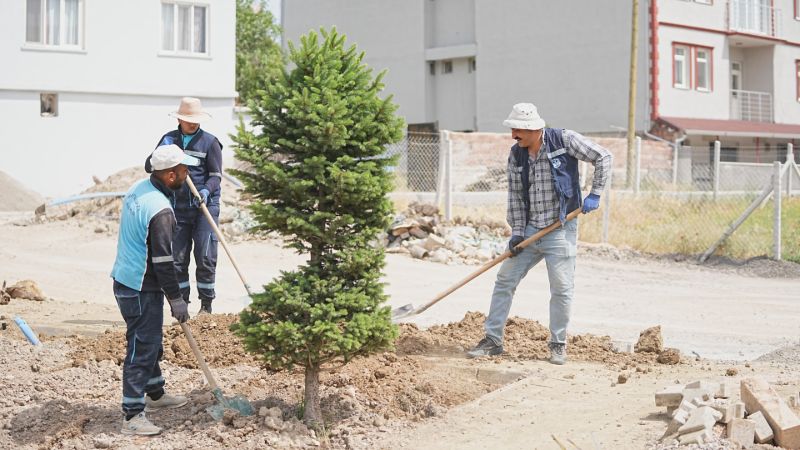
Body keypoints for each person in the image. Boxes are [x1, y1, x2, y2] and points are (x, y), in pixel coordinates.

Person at [466, 103, 613, 365]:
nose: (513, 136)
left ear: (533, 129)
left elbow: (603, 156)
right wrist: (518, 234)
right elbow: (516, 198)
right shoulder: (516, 155)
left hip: (560, 228)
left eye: (517, 131)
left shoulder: (563, 140)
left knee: (561, 288)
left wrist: (596, 193)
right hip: (531, 230)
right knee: (504, 281)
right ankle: (493, 341)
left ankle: (558, 344)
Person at [111, 144, 199, 435]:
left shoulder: (140, 188)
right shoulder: (160, 210)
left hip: (126, 278)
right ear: (171, 175)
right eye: (185, 170)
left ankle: (155, 394)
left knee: (148, 340)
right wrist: (177, 299)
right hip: (139, 286)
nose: (189, 175)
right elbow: (163, 262)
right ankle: (132, 416)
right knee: (143, 347)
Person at [146, 97, 223, 314]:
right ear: (179, 119)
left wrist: (206, 191)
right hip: (177, 208)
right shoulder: (168, 139)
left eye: (196, 120)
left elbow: (216, 175)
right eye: (188, 119)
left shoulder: (210, 142)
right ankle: (183, 306)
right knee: (178, 259)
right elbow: (149, 166)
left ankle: (206, 306)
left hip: (204, 208)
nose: (193, 123)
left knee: (205, 255)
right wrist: (161, 153)